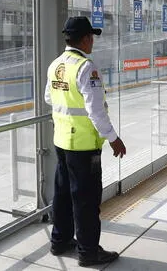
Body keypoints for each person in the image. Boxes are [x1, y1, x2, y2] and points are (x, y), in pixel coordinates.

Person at [45, 16, 127, 266]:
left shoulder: (56, 64)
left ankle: (59, 242)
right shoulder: (85, 67)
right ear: (84, 39)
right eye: (91, 37)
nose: (93, 41)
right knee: (86, 201)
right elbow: (95, 111)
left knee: (62, 194)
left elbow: (49, 98)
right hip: (83, 146)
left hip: (61, 141)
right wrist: (114, 139)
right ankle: (89, 252)